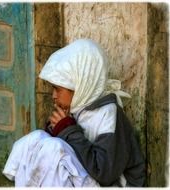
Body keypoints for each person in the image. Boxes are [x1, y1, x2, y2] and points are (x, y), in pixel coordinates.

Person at [39, 38, 145, 187]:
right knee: (34, 141)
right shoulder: (78, 108)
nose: (53, 96)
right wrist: (57, 129)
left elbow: (104, 172)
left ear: (80, 85)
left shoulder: (109, 115)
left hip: (117, 185)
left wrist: (68, 131)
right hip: (90, 179)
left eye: (58, 89)